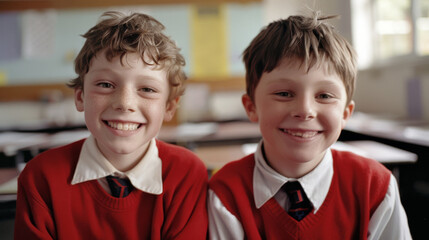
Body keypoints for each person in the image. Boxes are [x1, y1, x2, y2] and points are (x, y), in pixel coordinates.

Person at [208, 11, 412, 239]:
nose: (305, 110)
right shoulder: (225, 193)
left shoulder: (375, 187)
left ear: (346, 114)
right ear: (251, 107)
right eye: (284, 93)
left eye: (324, 96)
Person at [14, 11, 208, 239]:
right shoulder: (41, 177)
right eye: (105, 84)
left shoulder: (186, 174)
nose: (125, 103)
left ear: (169, 107)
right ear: (80, 98)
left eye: (147, 89)